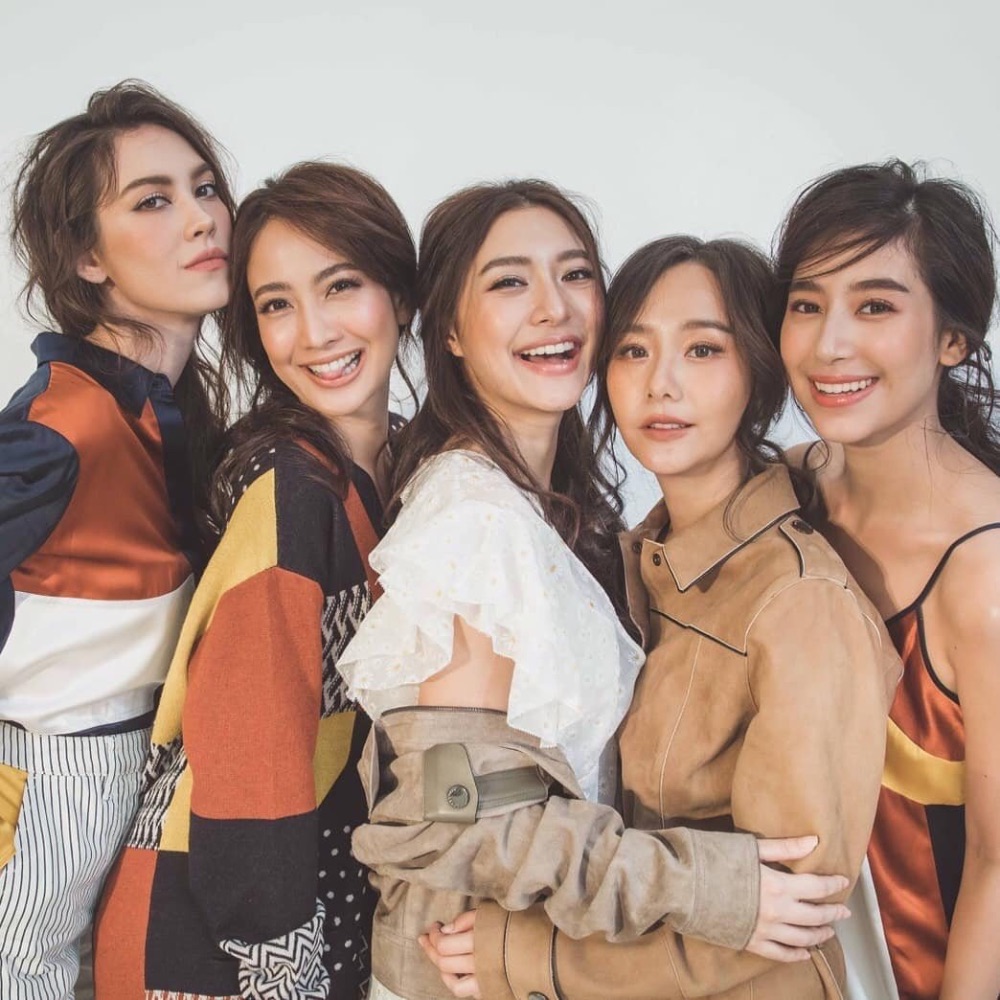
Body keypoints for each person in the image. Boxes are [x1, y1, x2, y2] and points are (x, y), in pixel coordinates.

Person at [338, 187, 864, 1000]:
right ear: (450, 330)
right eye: (509, 282)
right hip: (457, 968)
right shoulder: (477, 520)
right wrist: (707, 886)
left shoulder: (569, 520)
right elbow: (458, 816)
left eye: (576, 274)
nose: (553, 307)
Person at [93, 162, 417, 1000]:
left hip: (300, 905)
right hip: (216, 936)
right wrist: (278, 963)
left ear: (400, 294)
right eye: (277, 305)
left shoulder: (405, 467)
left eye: (340, 286)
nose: (314, 333)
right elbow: (249, 757)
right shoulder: (293, 489)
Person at [0, 80, 234, 999]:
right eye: (152, 201)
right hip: (52, 761)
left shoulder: (165, 407)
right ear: (86, 258)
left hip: (132, 754)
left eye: (204, 187)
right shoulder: (64, 424)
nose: (201, 217)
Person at [777, 160, 1000, 1000]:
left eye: (875, 305)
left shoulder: (985, 575)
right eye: (806, 305)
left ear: (953, 338)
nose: (829, 345)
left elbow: (997, 862)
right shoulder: (782, 491)